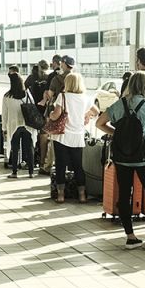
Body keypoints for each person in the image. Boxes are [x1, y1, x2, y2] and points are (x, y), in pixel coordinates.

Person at [94, 71, 145, 251]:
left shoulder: (119, 104)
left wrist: (117, 134)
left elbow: (99, 123)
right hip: (143, 158)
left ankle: (131, 237)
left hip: (122, 157)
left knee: (125, 195)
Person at [48, 72, 92, 203]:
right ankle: (82, 195)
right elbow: (95, 110)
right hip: (78, 136)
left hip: (62, 136)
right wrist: (86, 116)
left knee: (61, 165)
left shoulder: (63, 96)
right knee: (78, 166)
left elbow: (56, 115)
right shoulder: (85, 98)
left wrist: (50, 114)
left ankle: (61, 195)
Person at [3, 73, 35, 178]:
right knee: (29, 148)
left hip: (14, 125)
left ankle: (14, 172)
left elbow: (5, 114)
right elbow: (32, 106)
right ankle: (31, 172)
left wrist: (4, 128)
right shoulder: (27, 94)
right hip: (27, 125)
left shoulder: (7, 96)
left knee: (15, 148)